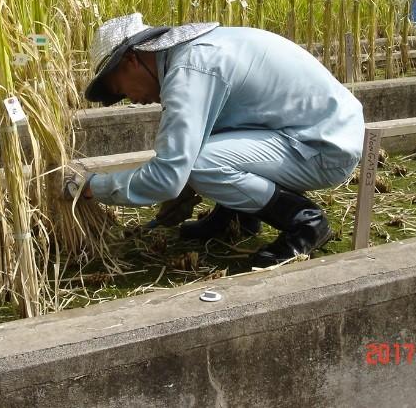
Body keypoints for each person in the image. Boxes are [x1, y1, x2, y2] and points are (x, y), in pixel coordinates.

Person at [65, 13, 364, 267]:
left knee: (201, 164)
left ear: (132, 60)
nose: (131, 99)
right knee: (202, 143)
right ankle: (236, 217)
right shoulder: (196, 55)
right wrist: (184, 193)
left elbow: (168, 177)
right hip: (316, 130)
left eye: (121, 89)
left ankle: (305, 222)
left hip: (323, 146)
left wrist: (93, 187)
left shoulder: (190, 71)